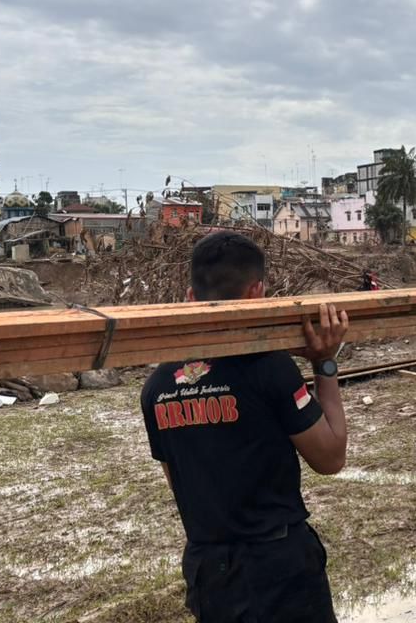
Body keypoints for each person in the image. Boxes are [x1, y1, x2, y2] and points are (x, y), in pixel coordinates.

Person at [141, 231, 350, 623]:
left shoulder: (157, 386)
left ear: (189, 297)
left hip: (210, 574)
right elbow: (331, 456)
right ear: (258, 292)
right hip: (279, 569)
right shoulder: (269, 368)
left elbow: (179, 482)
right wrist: (325, 364)